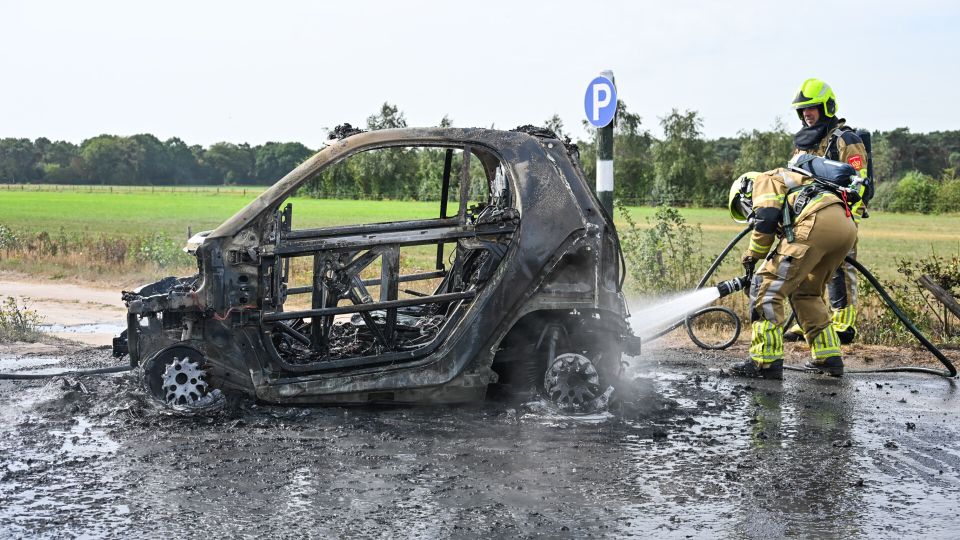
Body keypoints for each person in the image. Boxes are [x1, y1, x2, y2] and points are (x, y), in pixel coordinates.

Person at [727, 164, 858, 379]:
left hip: (816, 221)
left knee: (766, 288)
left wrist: (752, 257)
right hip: (845, 225)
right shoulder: (794, 180)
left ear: (744, 194)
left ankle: (764, 362)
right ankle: (829, 357)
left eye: (744, 209)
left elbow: (766, 219)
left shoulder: (764, 180)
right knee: (806, 292)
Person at [782, 78, 873, 345]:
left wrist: (848, 216)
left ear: (827, 107)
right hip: (808, 217)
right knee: (807, 266)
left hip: (839, 215)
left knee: (840, 268)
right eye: (803, 110)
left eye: (812, 108)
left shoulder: (846, 140)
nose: (806, 114)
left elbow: (860, 183)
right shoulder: (804, 143)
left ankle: (844, 322)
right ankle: (811, 321)